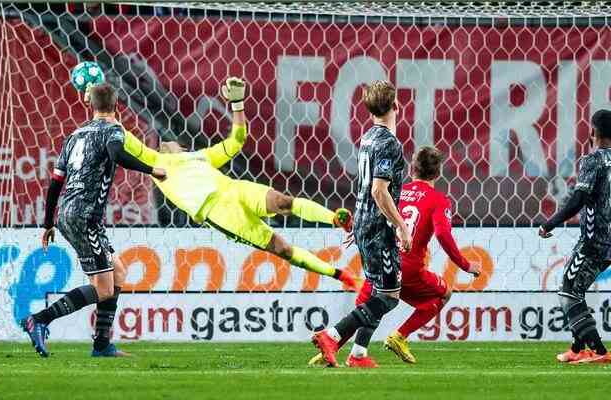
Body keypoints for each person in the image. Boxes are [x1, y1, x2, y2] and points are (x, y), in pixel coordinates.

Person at [124, 77, 359, 288]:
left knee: (283, 202)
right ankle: (341, 275)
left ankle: (336, 219)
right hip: (220, 215)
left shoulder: (200, 157)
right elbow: (130, 142)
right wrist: (106, 116)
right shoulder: (157, 164)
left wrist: (237, 105)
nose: (162, 144)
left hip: (235, 189)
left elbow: (236, 140)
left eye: (167, 142)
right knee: (283, 249)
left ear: (182, 147)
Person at [20, 83, 166, 358]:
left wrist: (48, 223)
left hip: (71, 213)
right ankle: (39, 319)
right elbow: (116, 154)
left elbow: (55, 183)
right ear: (116, 104)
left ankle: (101, 344)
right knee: (103, 287)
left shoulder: (75, 135)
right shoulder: (113, 131)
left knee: (118, 271)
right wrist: (151, 170)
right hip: (84, 216)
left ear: (91, 105)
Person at [308, 146, 480, 365]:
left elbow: (373, 214)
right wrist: (465, 265)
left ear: (411, 169)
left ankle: (354, 353)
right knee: (444, 293)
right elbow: (443, 234)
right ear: (438, 174)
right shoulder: (438, 200)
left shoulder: (395, 192)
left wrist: (359, 232)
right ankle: (398, 336)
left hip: (380, 259)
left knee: (371, 303)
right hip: (408, 269)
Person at [311, 80, 408, 368]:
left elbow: (364, 186)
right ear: (396, 105)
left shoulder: (367, 138)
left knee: (380, 290)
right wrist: (401, 226)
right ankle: (332, 334)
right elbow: (379, 190)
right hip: (379, 227)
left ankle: (358, 354)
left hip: (367, 222)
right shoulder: (389, 143)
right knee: (389, 297)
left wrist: (360, 222)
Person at [538, 109, 611, 365]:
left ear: (591, 132)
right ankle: (576, 348)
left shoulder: (592, 161)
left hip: (595, 240)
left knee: (568, 293)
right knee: (577, 290)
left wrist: (550, 223)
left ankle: (600, 351)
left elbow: (579, 199)